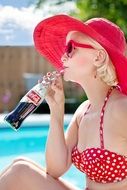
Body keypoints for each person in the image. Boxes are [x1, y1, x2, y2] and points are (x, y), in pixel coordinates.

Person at [1, 14, 127, 190]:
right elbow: (55, 169)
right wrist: (57, 111)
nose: (62, 57)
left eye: (70, 49)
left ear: (98, 57)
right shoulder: (83, 112)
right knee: (19, 165)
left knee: (20, 171)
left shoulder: (122, 108)